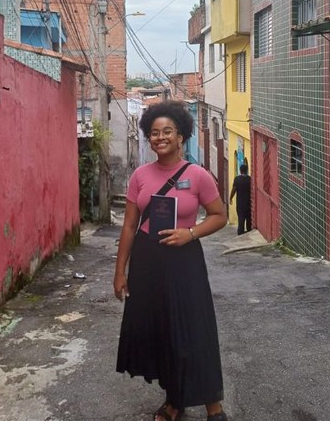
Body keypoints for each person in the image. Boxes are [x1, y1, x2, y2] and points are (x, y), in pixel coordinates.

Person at [114, 100, 229, 421]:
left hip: (185, 260)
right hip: (148, 261)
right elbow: (128, 226)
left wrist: (189, 234)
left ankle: (213, 405)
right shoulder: (140, 176)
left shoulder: (198, 175)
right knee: (162, 331)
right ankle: (174, 400)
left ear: (181, 136)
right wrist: (120, 272)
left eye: (167, 132)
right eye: (154, 133)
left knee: (194, 329)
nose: (160, 137)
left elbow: (220, 216)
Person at [229, 164, 252, 235]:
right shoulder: (250, 179)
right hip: (249, 203)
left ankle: (240, 233)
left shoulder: (237, 179)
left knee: (241, 219)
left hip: (240, 203)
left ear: (240, 170)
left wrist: (231, 198)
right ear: (247, 170)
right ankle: (249, 232)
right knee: (249, 219)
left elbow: (234, 189)